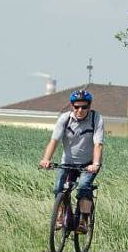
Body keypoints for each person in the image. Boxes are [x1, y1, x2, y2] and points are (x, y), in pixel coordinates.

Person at [39, 89, 104, 233]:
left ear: (89, 106)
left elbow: (98, 144)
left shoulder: (96, 119)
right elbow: (54, 141)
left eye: (84, 107)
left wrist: (96, 164)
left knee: (83, 187)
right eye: (76, 107)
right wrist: (46, 159)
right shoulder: (65, 119)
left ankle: (84, 220)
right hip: (68, 162)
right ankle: (61, 216)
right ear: (71, 106)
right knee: (58, 188)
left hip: (89, 163)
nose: (80, 110)